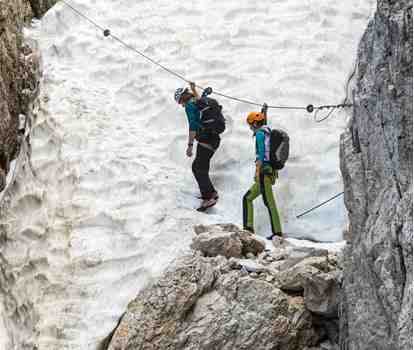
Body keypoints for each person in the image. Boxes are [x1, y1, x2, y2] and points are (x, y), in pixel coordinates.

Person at [174, 82, 221, 210]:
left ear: (182, 98)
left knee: (198, 168)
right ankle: (210, 193)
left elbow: (193, 126)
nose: (181, 105)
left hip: (206, 139)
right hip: (214, 138)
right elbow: (199, 100)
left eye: (180, 102)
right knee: (201, 167)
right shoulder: (196, 100)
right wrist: (194, 89)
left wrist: (190, 145)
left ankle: (209, 197)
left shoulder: (190, 106)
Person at [242, 108, 283, 240]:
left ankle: (277, 232)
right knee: (247, 198)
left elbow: (260, 154)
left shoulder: (260, 134)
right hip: (270, 172)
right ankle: (248, 228)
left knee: (269, 202)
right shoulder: (268, 132)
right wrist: (264, 111)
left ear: (254, 124)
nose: (250, 128)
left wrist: (257, 171)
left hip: (264, 172)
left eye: (250, 125)